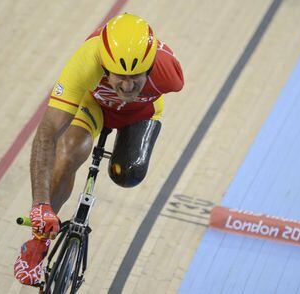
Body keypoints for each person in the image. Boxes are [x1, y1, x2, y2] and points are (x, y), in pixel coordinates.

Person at [13, 13, 184, 286]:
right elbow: (46, 134)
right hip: (93, 105)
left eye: (136, 78)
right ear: (104, 64)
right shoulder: (86, 60)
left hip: (138, 114)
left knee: (127, 174)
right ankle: (37, 245)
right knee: (68, 152)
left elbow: (151, 98)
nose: (127, 86)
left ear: (151, 68)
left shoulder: (170, 74)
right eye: (119, 76)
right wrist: (40, 204)